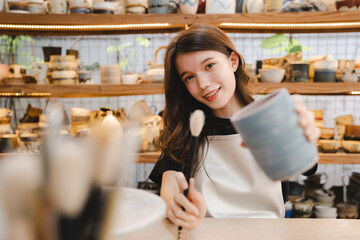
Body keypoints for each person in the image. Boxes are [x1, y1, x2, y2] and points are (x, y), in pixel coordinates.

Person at [149, 23, 320, 231]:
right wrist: (178, 207)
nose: (203, 83)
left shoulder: (267, 119)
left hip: (269, 234)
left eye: (209, 66)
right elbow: (170, 189)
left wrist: (302, 134)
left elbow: (306, 166)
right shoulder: (186, 129)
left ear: (232, 61)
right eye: (189, 77)